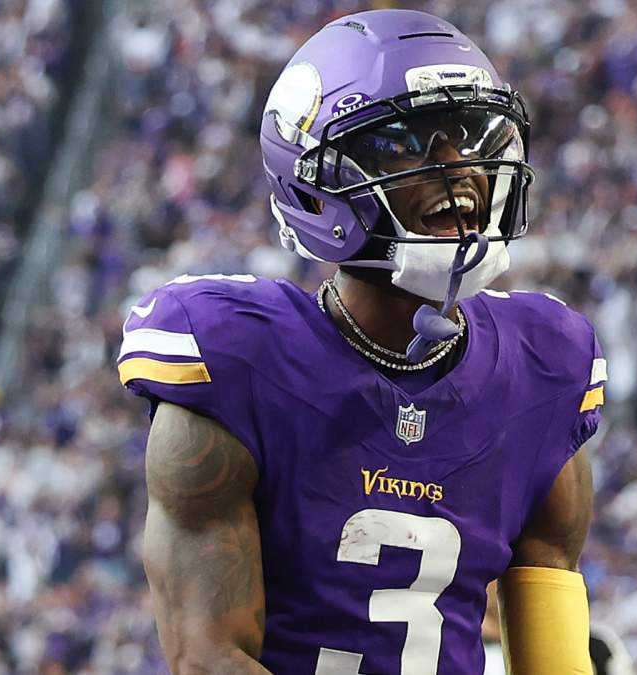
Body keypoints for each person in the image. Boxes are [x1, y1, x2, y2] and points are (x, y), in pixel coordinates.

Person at [117, 9, 606, 673]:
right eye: (409, 144)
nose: (459, 168)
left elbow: (553, 662)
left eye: (469, 137)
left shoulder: (544, 367)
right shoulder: (238, 357)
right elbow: (208, 657)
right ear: (318, 186)